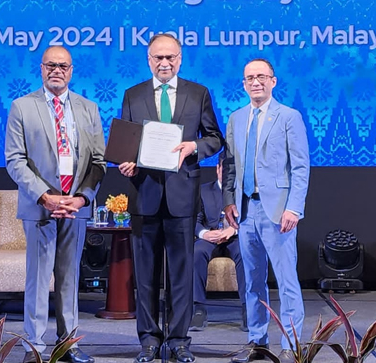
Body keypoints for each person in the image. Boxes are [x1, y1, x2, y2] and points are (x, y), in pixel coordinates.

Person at [119, 33, 223, 363]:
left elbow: (215, 138)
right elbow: (125, 143)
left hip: (182, 196)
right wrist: (125, 162)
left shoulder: (198, 93)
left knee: (181, 275)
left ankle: (179, 340)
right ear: (149, 60)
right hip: (144, 194)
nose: (164, 63)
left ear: (180, 59)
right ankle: (149, 340)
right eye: (158, 58)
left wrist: (194, 147)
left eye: (170, 57)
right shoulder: (133, 95)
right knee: (145, 276)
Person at [5, 46, 105, 363]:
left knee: (69, 278)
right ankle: (34, 347)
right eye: (51, 65)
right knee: (38, 279)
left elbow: (99, 162)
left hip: (76, 207)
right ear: (41, 68)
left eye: (63, 66)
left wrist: (81, 198)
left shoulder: (89, 108)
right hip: (40, 207)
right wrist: (45, 196)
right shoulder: (22, 107)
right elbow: (14, 160)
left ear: (71, 70)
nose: (56, 70)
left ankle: (68, 345)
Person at [222, 58, 310, 363]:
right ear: (243, 84)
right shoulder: (236, 118)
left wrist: (294, 208)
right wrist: (228, 201)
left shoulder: (289, 117)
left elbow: (300, 166)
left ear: (273, 81)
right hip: (246, 210)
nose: (255, 82)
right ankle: (257, 340)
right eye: (250, 78)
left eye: (261, 76)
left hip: (278, 211)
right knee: (252, 281)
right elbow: (230, 164)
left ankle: (291, 345)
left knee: (286, 281)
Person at [190, 152, 247, 333]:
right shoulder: (203, 190)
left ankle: (248, 309)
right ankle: (198, 309)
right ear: (218, 169)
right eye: (225, 170)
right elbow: (195, 220)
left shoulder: (243, 192)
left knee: (246, 253)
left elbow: (250, 219)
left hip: (235, 237)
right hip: (210, 237)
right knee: (196, 252)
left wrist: (234, 230)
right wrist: (205, 233)